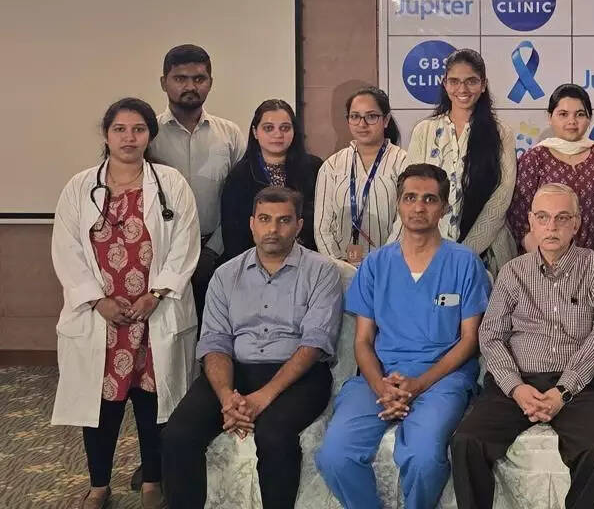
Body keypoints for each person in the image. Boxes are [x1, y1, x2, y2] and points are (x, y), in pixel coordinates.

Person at [51, 97, 201, 509]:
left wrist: (157, 293)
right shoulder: (80, 187)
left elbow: (185, 244)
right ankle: (99, 485)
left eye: (138, 129)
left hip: (155, 313)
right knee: (102, 406)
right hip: (103, 318)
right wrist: (96, 300)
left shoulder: (170, 183)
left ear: (150, 134)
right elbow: (66, 249)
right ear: (106, 134)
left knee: (154, 402)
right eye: (120, 129)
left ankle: (153, 480)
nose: (129, 138)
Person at [315, 163, 491, 509]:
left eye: (429, 199)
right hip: (380, 377)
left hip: (441, 379)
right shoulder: (376, 264)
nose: (418, 207)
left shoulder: (464, 262)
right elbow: (363, 341)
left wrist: (419, 384)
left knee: (424, 458)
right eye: (410, 198)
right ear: (398, 203)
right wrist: (382, 387)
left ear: (444, 207)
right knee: (335, 456)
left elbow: (470, 341)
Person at [163, 186, 343, 509]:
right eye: (264, 219)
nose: (273, 229)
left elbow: (314, 344)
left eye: (284, 220)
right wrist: (227, 398)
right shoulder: (225, 275)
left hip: (300, 375)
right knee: (178, 433)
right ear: (251, 223)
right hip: (236, 371)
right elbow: (215, 342)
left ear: (299, 225)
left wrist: (261, 398)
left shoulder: (321, 271)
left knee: (274, 435)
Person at [451, 183, 594, 509]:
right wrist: (515, 388)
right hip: (518, 381)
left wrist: (563, 391)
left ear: (576, 223)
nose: (551, 227)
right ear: (531, 221)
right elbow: (491, 335)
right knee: (466, 441)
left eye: (561, 218)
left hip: (579, 385)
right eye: (542, 217)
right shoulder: (513, 272)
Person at [148, 44, 245, 321]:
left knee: (216, 333)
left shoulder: (230, 134)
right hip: (161, 258)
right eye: (180, 78)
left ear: (210, 83)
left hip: (218, 257)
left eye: (199, 78)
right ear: (164, 82)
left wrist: (212, 250)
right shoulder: (149, 136)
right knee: (169, 335)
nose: (190, 86)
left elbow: (240, 198)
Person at [407, 48, 518, 273]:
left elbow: (501, 198)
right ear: (444, 84)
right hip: (429, 251)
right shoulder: (424, 131)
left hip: (486, 254)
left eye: (471, 81)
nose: (462, 89)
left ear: (483, 85)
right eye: (454, 81)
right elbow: (410, 192)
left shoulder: (500, 133)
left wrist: (465, 252)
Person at [507, 84, 594, 256]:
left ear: (589, 118)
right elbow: (519, 219)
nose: (572, 121)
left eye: (580, 114)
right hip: (542, 262)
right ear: (550, 117)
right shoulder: (534, 158)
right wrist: (549, 261)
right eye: (563, 114)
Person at [315, 87, 410, 265]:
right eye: (355, 116)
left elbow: (405, 220)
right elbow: (322, 226)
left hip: (390, 264)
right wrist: (338, 265)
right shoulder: (332, 166)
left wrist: (382, 262)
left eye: (371, 116)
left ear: (386, 120)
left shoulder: (403, 162)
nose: (362, 124)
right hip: (341, 267)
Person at [220, 99, 323, 258]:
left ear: (294, 131)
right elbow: (233, 235)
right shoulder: (239, 175)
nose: (278, 134)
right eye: (269, 128)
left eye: (285, 128)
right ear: (255, 132)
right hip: (257, 262)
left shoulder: (314, 168)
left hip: (308, 260)